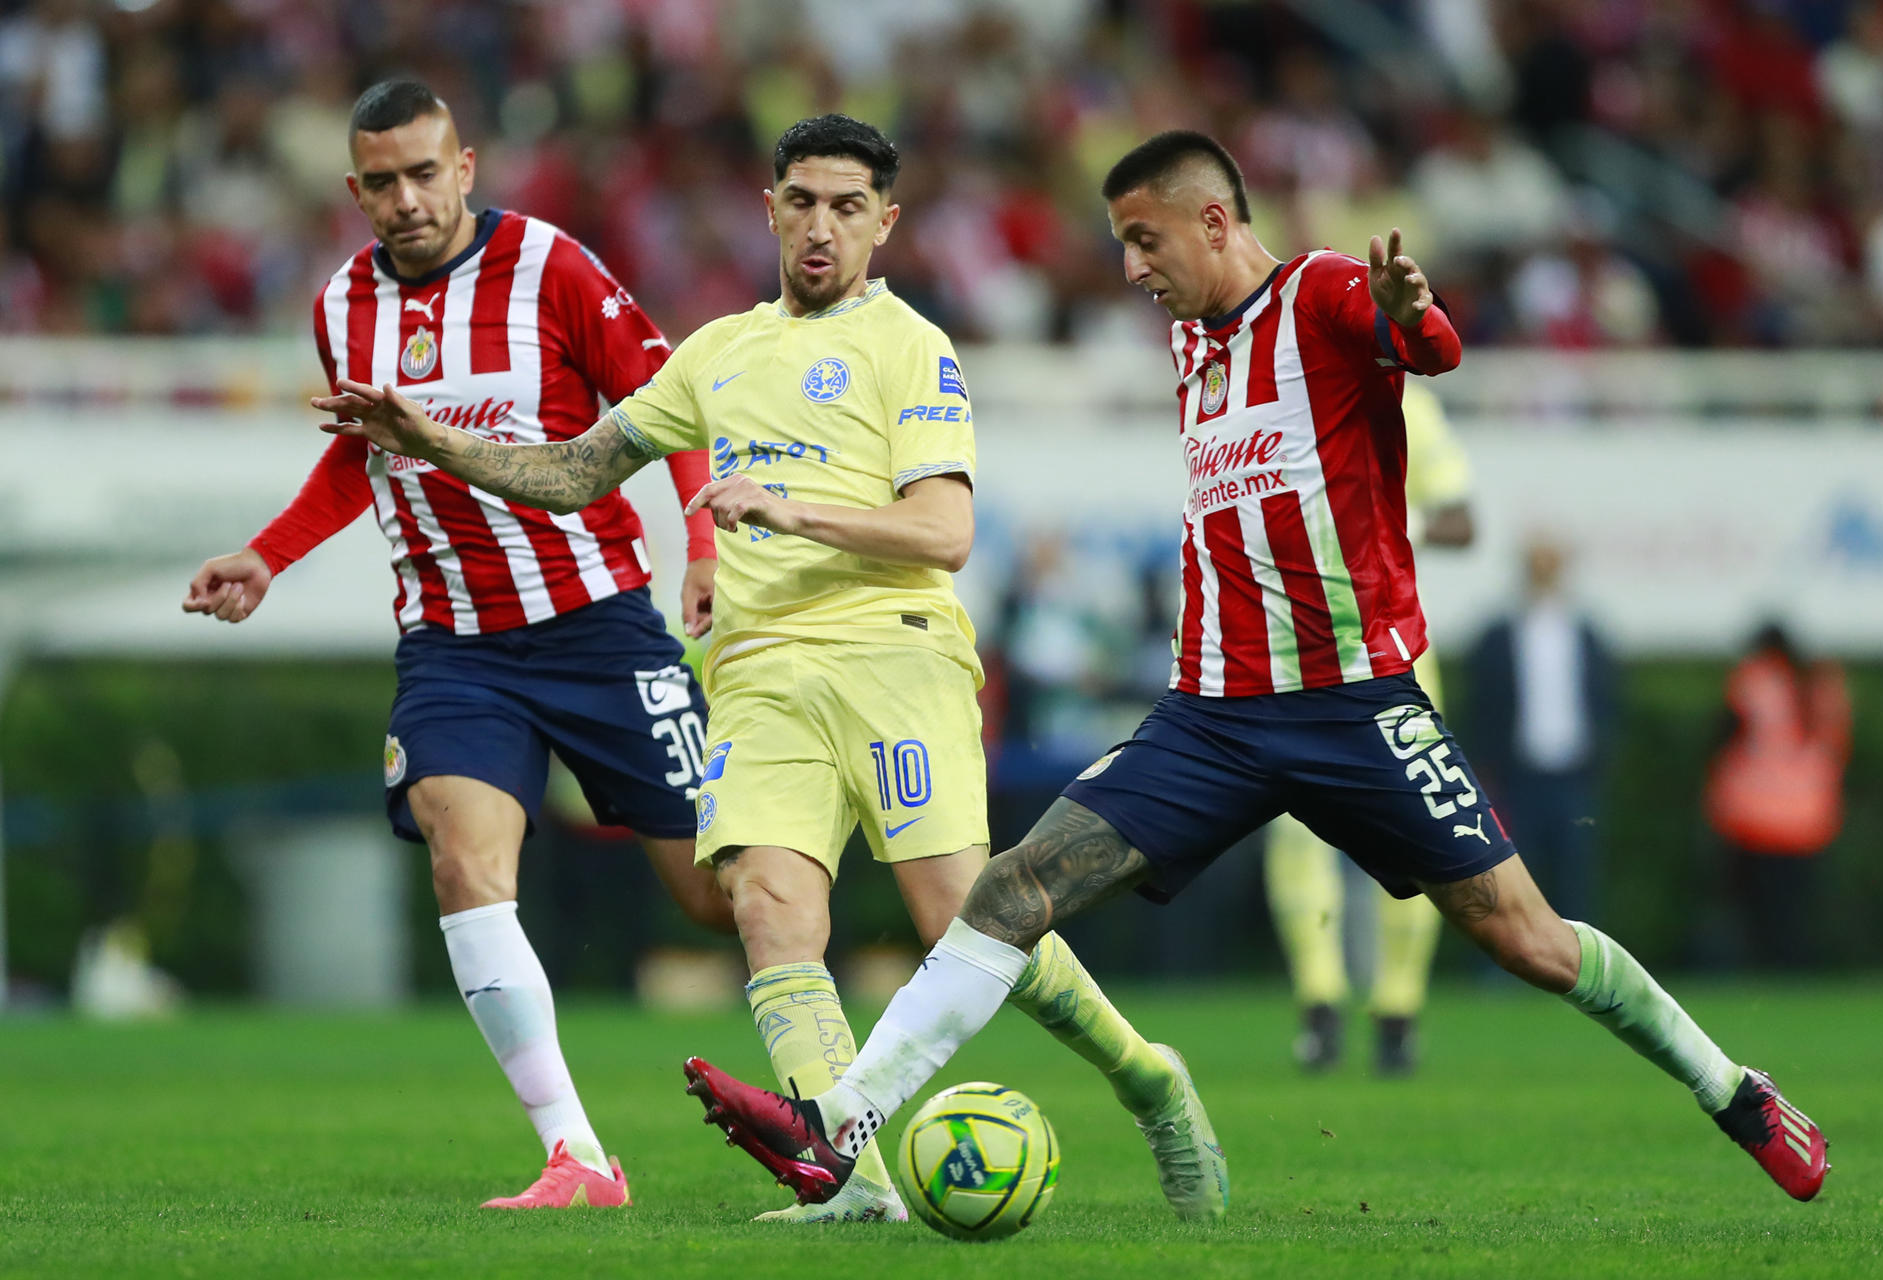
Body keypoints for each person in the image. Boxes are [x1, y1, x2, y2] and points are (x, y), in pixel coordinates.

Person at [681, 130, 1830, 1208]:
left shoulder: (1327, 292)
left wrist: (1414, 319)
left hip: (1355, 706)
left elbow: (1425, 348)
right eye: (1122, 243)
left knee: (1526, 938)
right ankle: (839, 1125)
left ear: (1216, 221)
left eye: (1146, 240)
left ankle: (1732, 1086)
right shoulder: (1195, 338)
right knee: (1009, 890)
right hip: (1213, 716)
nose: (1131, 269)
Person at [306, 114, 1227, 1226]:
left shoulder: (912, 347)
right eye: (802, 201)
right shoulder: (718, 352)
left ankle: (1147, 1076)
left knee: (962, 922)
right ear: (771, 209)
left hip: (892, 649)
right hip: (758, 669)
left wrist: (784, 507)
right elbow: (575, 470)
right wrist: (433, 439)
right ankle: (856, 1184)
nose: (821, 226)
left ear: (885, 222)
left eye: (847, 206)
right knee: (769, 906)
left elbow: (943, 531)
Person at [182, 80, 730, 1210]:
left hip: (601, 624)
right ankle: (578, 1155)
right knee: (463, 858)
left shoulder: (552, 266)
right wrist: (266, 555)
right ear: (354, 189)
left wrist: (706, 541)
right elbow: (359, 455)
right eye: (380, 182)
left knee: (725, 898)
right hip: (457, 646)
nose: (405, 199)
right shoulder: (342, 305)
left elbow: (669, 398)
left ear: (465, 167)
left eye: (424, 173)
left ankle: (843, 1100)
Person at [1267, 379, 1473, 1075]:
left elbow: (1460, 519)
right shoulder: (1273, 389)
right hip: (1293, 652)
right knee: (1296, 839)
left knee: (1421, 834)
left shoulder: (1402, 399)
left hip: (1392, 652)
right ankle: (1319, 1003)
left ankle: (1397, 1008)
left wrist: (1384, 523)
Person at [1466, 536, 1616, 924]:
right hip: (1516, 776)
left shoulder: (1586, 633)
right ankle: (1502, 968)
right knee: (1509, 875)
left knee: (1574, 877)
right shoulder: (1498, 635)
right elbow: (1483, 705)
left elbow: (1606, 701)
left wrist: (1600, 756)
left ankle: (1580, 967)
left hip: (1574, 775)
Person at [1705, 622, 1850, 970]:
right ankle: (1795, 966)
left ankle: (1764, 968)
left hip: (1753, 813)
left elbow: (1723, 737)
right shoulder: (1822, 684)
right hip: (1809, 815)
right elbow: (1838, 746)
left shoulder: (1754, 681)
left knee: (1757, 905)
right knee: (1797, 905)